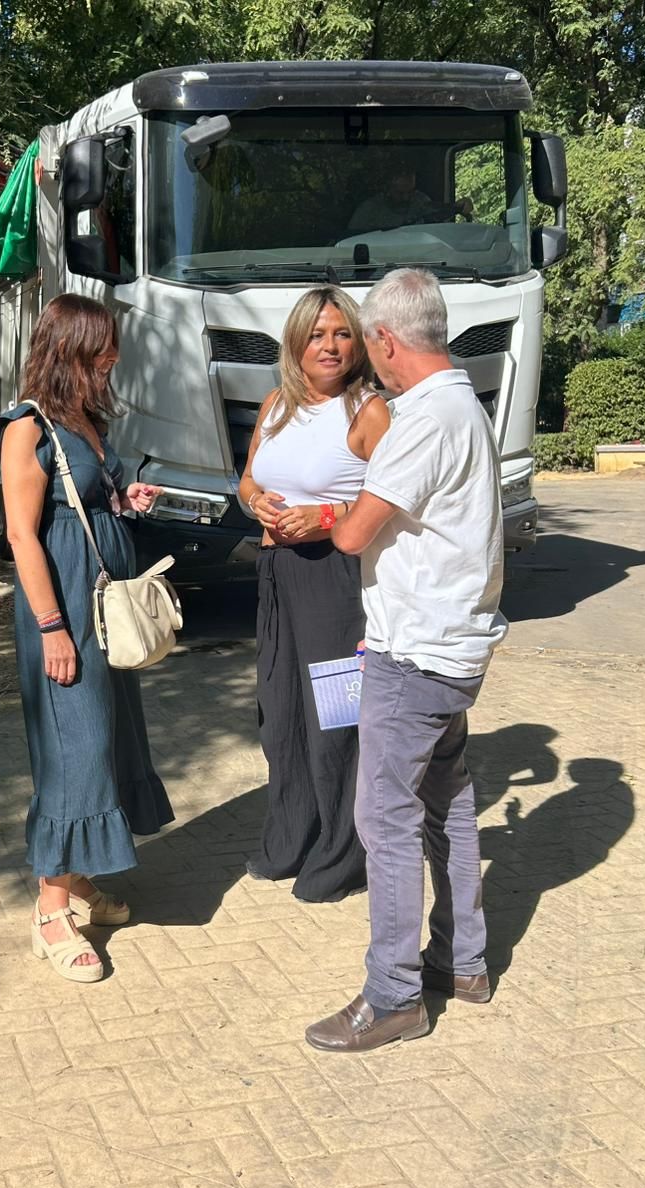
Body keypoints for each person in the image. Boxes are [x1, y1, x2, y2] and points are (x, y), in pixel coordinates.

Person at [304, 268, 508, 1052]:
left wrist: (329, 512)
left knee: (384, 820)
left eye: (367, 343)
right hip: (454, 646)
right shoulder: (465, 401)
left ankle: (392, 997)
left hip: (414, 652)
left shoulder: (424, 418)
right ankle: (461, 963)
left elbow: (356, 534)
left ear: (386, 341)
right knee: (446, 803)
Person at [0, 294, 172, 984]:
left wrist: (125, 503)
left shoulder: (85, 420)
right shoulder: (26, 429)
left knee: (107, 740)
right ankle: (48, 910)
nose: (113, 359)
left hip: (103, 612)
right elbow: (20, 536)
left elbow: (86, 502)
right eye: (102, 350)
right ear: (68, 350)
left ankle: (79, 883)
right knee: (76, 751)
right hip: (62, 612)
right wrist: (51, 630)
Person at [237, 287, 389, 902]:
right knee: (281, 717)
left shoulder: (368, 411)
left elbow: (399, 503)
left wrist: (327, 514)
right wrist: (254, 501)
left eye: (342, 334)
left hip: (334, 581)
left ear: (357, 343)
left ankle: (341, 853)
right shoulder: (277, 404)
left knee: (336, 719)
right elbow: (248, 478)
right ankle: (291, 838)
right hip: (276, 576)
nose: (329, 346)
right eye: (317, 335)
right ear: (296, 344)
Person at [349, 167, 472, 233]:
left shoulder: (420, 201)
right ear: (386, 188)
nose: (406, 198)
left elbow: (438, 216)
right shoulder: (368, 210)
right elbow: (351, 241)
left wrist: (460, 205)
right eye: (400, 193)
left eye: (410, 192)